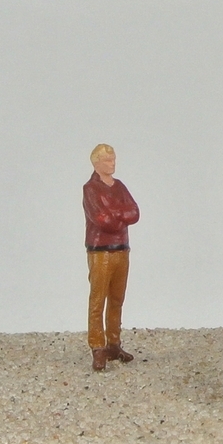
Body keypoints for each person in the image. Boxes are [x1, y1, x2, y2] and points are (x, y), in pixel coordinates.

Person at [82, 143, 140, 372]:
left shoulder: (120, 186)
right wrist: (119, 215)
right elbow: (102, 219)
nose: (112, 163)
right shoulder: (90, 189)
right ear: (96, 163)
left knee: (117, 298)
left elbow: (134, 212)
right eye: (107, 160)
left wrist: (115, 214)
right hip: (100, 251)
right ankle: (98, 346)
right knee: (98, 300)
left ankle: (114, 343)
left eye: (113, 159)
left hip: (121, 248)